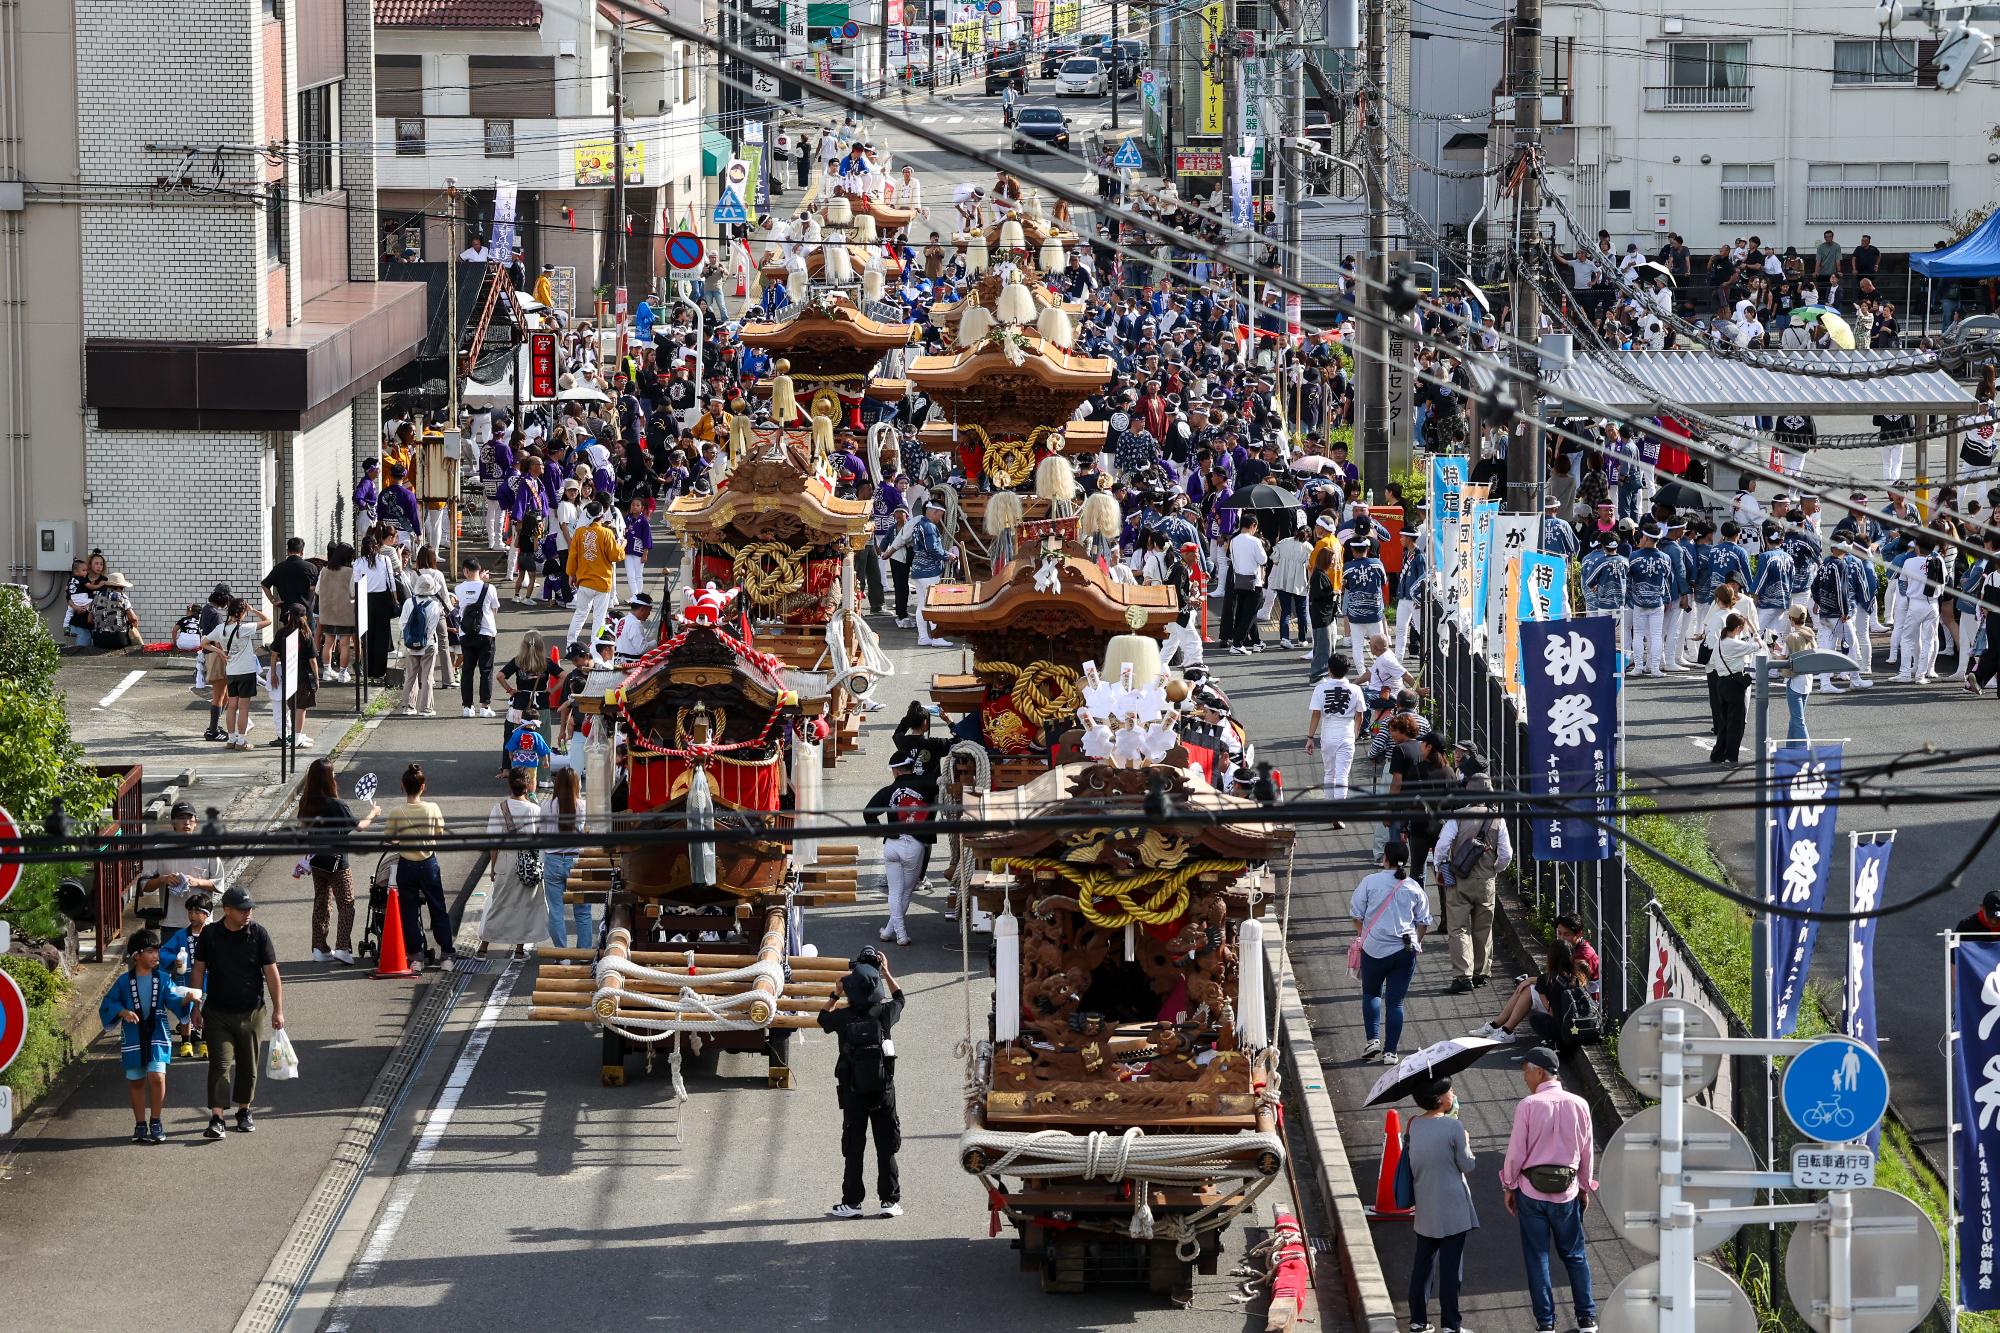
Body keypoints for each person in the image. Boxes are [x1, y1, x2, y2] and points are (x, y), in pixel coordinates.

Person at [1501, 1046, 1598, 1333]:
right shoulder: (1579, 1104)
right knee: (1575, 1254)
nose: (1524, 1077)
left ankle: (1545, 1324)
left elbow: (1516, 1152)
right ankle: (1587, 1320)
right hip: (1567, 1192)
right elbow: (1587, 1149)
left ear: (1540, 1071)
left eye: (1526, 1071)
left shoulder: (1528, 1105)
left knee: (1537, 1256)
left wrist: (1509, 1185)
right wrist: (1584, 1186)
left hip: (1531, 1191)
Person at [190, 886, 284, 1140]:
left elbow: (272, 974)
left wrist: (278, 1010)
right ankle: (217, 1117)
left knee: (247, 1065)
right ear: (227, 910)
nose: (247, 913)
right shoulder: (210, 934)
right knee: (219, 1065)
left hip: (252, 1012)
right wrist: (195, 1006)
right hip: (217, 1012)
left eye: (250, 909)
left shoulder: (258, 934)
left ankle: (244, 1111)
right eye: (242, 910)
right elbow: (198, 970)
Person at [820, 946, 905, 1219]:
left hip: (852, 1092)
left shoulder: (844, 1017)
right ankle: (889, 1201)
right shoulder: (883, 1013)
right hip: (883, 1090)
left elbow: (822, 1018)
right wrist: (888, 972)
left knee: (854, 1147)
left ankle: (852, 1203)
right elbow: (901, 998)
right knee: (885, 1146)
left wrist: (836, 993)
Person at [99, 928, 198, 1144]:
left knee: (157, 1076)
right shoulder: (124, 981)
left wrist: (187, 1000)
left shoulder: (163, 978)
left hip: (158, 1032)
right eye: (151, 951)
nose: (156, 956)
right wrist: (122, 1012)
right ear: (137, 955)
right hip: (133, 1034)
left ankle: (156, 1120)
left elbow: (173, 999)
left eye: (157, 951)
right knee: (135, 1081)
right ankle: (139, 1124)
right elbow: (108, 1003)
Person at [1405, 1076, 1479, 1333]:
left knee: (1422, 1264)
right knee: (1450, 1268)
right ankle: (1451, 1325)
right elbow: (1467, 1165)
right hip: (1452, 1206)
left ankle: (1417, 1320)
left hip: (1425, 1204)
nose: (1454, 1095)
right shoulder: (1453, 1128)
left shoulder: (1414, 1125)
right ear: (1440, 1098)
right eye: (1450, 1091)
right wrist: (1466, 1141)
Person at [1348, 843, 1432, 1065]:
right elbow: (1424, 922)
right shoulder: (1414, 887)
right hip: (1405, 951)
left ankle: (1372, 1040)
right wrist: (1416, 942)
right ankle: (1390, 1052)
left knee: (1372, 994)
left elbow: (1356, 914)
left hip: (1374, 949)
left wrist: (1365, 935)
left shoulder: (1370, 882)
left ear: (1385, 858)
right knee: (1396, 1003)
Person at [1435, 772, 1513, 993]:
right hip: (1486, 880)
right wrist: (1494, 869)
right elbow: (1506, 854)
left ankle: (1463, 976)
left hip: (1460, 880)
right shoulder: (1497, 818)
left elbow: (1442, 847)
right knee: (1483, 928)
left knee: (1458, 928)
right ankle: (1481, 973)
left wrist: (1440, 868)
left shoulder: (1457, 816)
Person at [299, 757, 376, 964]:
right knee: (347, 904)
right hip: (338, 862)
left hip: (317, 861)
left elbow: (304, 827)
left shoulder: (306, 801)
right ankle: (343, 947)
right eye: (332, 773)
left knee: (322, 903)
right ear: (328, 778)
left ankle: (319, 948)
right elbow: (359, 826)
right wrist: (373, 813)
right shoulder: (337, 804)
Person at [384, 763, 454, 971]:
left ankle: (416, 957)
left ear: (402, 786)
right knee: (438, 908)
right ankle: (447, 955)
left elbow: (390, 839)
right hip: (429, 863)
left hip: (406, 864)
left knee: (409, 911)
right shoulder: (432, 808)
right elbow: (439, 833)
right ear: (423, 786)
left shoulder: (397, 811)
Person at [862, 752, 937, 946]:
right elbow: (941, 788)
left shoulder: (889, 790)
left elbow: (868, 812)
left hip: (892, 844)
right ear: (912, 767)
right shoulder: (927, 784)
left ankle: (888, 931)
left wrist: (880, 831)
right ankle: (901, 935)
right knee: (904, 892)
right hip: (914, 845)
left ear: (896, 771)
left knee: (895, 892)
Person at [1470, 938, 1594, 1048]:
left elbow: (1551, 1011)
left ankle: (1505, 1030)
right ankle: (1498, 1026)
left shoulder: (1546, 979)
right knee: (1529, 987)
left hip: (1562, 1026)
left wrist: (1532, 983)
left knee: (1529, 991)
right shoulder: (1575, 974)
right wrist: (1531, 980)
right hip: (1576, 1020)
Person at [482, 768, 552, 958]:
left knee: (499, 904)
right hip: (528, 863)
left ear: (509, 784)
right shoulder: (535, 810)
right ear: (529, 785)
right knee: (525, 906)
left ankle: (484, 946)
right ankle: (519, 950)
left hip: (505, 860)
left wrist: (494, 867)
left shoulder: (499, 808)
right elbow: (541, 842)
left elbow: (493, 842)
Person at [137, 799, 226, 927]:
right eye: (181, 818)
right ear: (173, 823)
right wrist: (163, 879)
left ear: (195, 821)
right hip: (170, 922)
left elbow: (219, 883)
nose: (186, 822)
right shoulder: (158, 850)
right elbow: (144, 885)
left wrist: (197, 882)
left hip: (202, 923)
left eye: (190, 818)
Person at [203, 597, 269, 751]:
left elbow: (203, 643)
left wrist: (219, 651)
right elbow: (267, 621)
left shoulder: (220, 628)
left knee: (232, 706)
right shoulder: (244, 628)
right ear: (242, 612)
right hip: (246, 672)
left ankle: (231, 740)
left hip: (231, 671)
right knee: (243, 707)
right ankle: (241, 741)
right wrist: (253, 610)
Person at [1304, 654, 1365, 820]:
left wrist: (1310, 737)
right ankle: (1338, 812)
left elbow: (1316, 714)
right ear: (1347, 670)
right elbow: (1359, 715)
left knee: (1329, 773)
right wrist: (1356, 733)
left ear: (1329, 669)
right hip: (1346, 733)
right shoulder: (1355, 689)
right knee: (1342, 775)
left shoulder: (1320, 689)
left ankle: (1329, 808)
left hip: (1328, 733)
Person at [541, 768, 592, 949]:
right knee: (583, 911)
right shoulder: (582, 805)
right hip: (576, 861)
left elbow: (543, 834)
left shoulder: (546, 806)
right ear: (576, 784)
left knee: (556, 911)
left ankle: (562, 956)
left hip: (553, 860)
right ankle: (584, 954)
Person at [1705, 611, 1760, 765]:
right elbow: (1758, 646)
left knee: (1724, 721)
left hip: (1721, 683)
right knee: (1736, 723)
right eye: (1742, 628)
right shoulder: (1734, 644)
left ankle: (1718, 754)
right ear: (1737, 628)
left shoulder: (1720, 642)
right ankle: (1731, 757)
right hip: (1734, 685)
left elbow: (1714, 662)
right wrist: (1754, 630)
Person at [455, 556, 499, 717]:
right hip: (486, 632)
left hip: (466, 634)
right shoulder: (490, 588)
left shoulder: (459, 589)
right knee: (486, 670)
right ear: (479, 570)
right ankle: (484, 707)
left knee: (467, 670)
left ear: (465, 571)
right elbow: (494, 609)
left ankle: (467, 707)